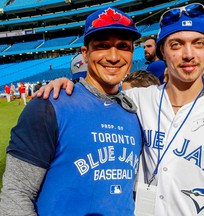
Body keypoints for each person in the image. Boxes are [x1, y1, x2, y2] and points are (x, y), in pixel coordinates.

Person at [34, 3, 204, 215]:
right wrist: (67, 85)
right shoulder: (137, 101)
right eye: (176, 44)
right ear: (162, 51)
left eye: (198, 43)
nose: (188, 54)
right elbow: (96, 93)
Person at [0, 7, 143, 216]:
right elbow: (16, 195)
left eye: (123, 46)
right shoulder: (50, 105)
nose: (113, 56)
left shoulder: (135, 111)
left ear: (131, 54)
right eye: (102, 45)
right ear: (85, 54)